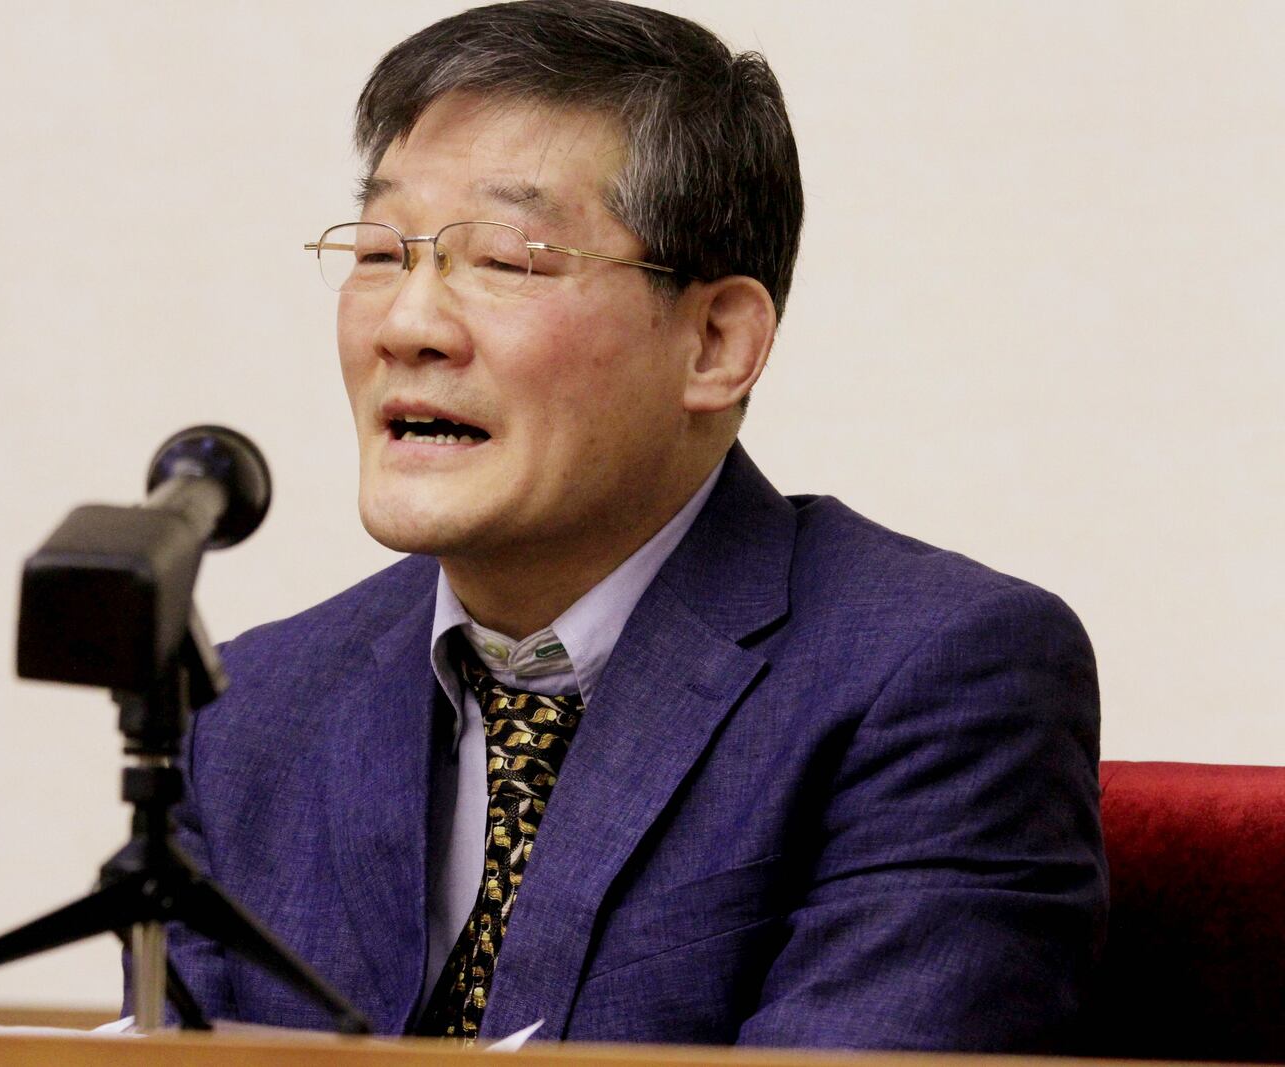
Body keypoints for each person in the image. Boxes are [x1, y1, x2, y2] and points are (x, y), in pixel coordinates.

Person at [158, 0, 1106, 1049]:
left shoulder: (933, 674)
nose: (408, 324)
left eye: (506, 260)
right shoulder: (249, 717)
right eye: (381, 252)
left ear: (714, 342)